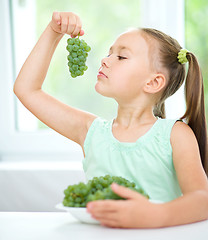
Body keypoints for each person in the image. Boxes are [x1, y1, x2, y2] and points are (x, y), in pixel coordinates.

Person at [13, 12, 208, 228]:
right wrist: (53, 32)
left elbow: (203, 199)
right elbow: (27, 90)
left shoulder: (175, 134)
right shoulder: (91, 131)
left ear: (153, 83)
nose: (105, 60)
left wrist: (156, 215)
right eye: (109, 53)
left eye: (121, 57)